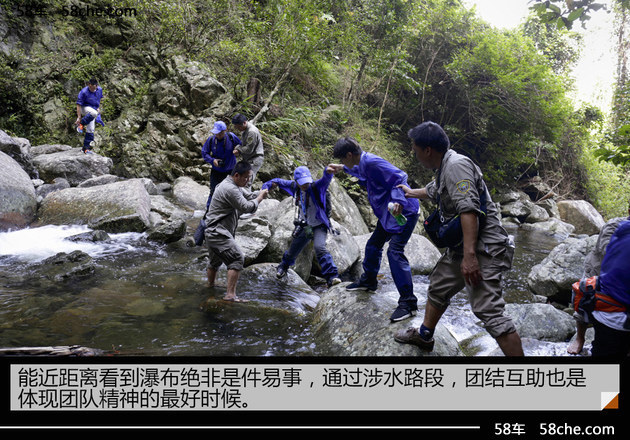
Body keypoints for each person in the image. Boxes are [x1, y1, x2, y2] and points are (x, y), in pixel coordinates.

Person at [393, 121, 524, 356]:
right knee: (439, 285)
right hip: (463, 244)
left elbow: (469, 210)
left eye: (414, 149)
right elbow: (434, 190)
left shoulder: (456, 166)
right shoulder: (445, 168)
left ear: (427, 150)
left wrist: (470, 256)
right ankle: (424, 336)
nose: (414, 154)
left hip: (484, 246)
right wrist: (410, 192)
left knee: (489, 311)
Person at [328, 137, 420, 322]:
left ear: (349, 154)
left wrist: (399, 202)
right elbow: (362, 175)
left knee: (394, 252)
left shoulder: (372, 162)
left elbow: (400, 177)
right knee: (373, 245)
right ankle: (369, 281)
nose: (342, 162)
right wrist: (342, 169)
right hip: (389, 214)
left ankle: (409, 304)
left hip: (405, 212)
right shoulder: (362, 163)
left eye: (342, 160)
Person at [262, 165, 342, 288]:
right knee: (293, 249)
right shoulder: (294, 186)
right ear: (296, 182)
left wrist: (328, 173)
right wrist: (266, 187)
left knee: (320, 248)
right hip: (306, 226)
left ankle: (332, 277)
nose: (305, 185)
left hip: (319, 226)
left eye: (307, 182)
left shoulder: (316, 187)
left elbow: (324, 180)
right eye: (302, 183)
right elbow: (277, 181)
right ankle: (283, 266)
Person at [568, 201, 630, 355]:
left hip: (620, 275)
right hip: (598, 266)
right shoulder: (615, 225)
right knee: (583, 297)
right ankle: (580, 338)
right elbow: (606, 251)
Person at [204, 161, 269, 302]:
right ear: (237, 175)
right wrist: (260, 198)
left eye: (249, 178)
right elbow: (247, 207)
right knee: (237, 258)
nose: (248, 181)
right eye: (246, 177)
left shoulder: (233, 185)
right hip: (217, 232)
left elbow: (249, 195)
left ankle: (210, 285)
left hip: (213, 231)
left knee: (214, 261)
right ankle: (230, 295)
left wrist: (262, 192)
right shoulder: (230, 189)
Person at [588, 219, 630, 357]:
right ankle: (579, 338)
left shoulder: (622, 228)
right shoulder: (615, 226)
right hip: (613, 311)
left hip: (606, 311)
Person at [202, 121, 242, 207]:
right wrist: (212, 160)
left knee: (232, 192)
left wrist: (238, 150)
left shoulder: (231, 137)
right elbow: (204, 153)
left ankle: (231, 212)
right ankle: (209, 212)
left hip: (231, 170)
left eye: (221, 133)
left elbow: (241, 145)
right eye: (217, 133)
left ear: (225, 130)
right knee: (213, 191)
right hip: (216, 170)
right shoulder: (211, 140)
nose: (218, 135)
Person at [232, 113, 264, 189]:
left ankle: (246, 200)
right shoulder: (246, 126)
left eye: (239, 127)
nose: (238, 129)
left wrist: (238, 149)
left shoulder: (251, 132)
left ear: (244, 123)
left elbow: (249, 149)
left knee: (247, 181)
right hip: (248, 158)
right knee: (241, 179)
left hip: (254, 159)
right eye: (236, 127)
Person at [75, 78, 104, 154]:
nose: (92, 89)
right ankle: (81, 124)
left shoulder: (99, 90)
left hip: (93, 109)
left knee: (91, 129)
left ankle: (85, 149)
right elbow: (78, 105)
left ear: (96, 86)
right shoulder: (84, 92)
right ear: (89, 85)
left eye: (94, 88)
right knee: (94, 113)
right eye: (91, 87)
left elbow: (99, 99)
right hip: (84, 108)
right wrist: (79, 117)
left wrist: (97, 107)